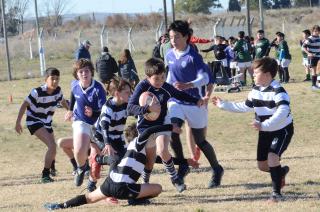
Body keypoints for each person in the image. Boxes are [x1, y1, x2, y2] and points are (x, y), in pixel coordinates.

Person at [43, 123, 182, 210]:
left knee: (89, 198)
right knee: (158, 189)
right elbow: (148, 132)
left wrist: (185, 162)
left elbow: (159, 159)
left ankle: (60, 206)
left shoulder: (134, 151)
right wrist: (170, 127)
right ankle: (133, 200)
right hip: (123, 187)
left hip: (110, 182)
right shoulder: (138, 143)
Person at [212, 57, 294, 202]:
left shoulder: (278, 91)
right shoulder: (255, 90)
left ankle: (276, 194)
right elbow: (245, 106)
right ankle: (280, 172)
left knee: (272, 157)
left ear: (268, 74)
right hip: (265, 130)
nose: (253, 75)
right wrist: (223, 104)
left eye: (256, 73)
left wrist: (265, 124)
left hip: (282, 129)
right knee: (262, 166)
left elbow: (283, 111)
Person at [127, 57, 203, 193]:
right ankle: (145, 184)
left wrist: (196, 100)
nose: (160, 81)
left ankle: (175, 179)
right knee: (149, 162)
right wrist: (146, 109)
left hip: (163, 123)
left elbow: (179, 95)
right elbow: (130, 108)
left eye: (163, 77)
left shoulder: (165, 87)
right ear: (148, 77)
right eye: (157, 79)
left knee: (162, 150)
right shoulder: (142, 86)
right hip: (146, 128)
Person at [166, 20, 224, 188]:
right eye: (171, 37)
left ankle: (217, 168)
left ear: (186, 37)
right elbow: (170, 77)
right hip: (175, 101)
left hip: (195, 103)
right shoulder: (169, 54)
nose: (173, 40)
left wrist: (188, 85)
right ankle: (183, 166)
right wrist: (164, 91)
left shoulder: (194, 56)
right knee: (173, 130)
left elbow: (206, 78)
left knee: (200, 141)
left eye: (176, 37)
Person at [15, 67, 69, 183]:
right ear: (46, 79)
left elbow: (63, 101)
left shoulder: (58, 91)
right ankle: (45, 175)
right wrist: (18, 122)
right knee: (52, 146)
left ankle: (52, 168)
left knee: (52, 147)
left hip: (46, 122)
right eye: (52, 79)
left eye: (57, 79)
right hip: (34, 121)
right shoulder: (37, 92)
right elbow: (24, 104)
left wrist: (69, 111)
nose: (55, 81)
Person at [65, 58, 106, 187]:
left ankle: (92, 183)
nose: (84, 74)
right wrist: (70, 110)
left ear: (91, 72)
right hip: (80, 120)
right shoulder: (74, 85)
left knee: (97, 156)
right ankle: (81, 168)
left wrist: (93, 112)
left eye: (86, 71)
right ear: (76, 74)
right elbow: (73, 93)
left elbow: (104, 111)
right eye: (81, 71)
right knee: (78, 150)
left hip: (96, 124)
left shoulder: (98, 89)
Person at [87, 78, 132, 193]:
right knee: (115, 159)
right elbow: (104, 127)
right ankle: (108, 190)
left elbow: (137, 112)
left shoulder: (127, 104)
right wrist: (107, 143)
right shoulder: (108, 107)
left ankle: (98, 160)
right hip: (101, 137)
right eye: (127, 92)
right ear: (117, 93)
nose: (130, 94)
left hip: (117, 137)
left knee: (127, 159)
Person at [302, 25, 320, 90]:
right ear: (313, 31)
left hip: (318, 56)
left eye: (318, 31)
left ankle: (317, 84)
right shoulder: (310, 38)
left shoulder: (319, 37)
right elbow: (303, 47)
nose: (317, 32)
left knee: (318, 71)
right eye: (315, 31)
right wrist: (309, 53)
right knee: (314, 71)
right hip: (312, 57)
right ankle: (313, 85)